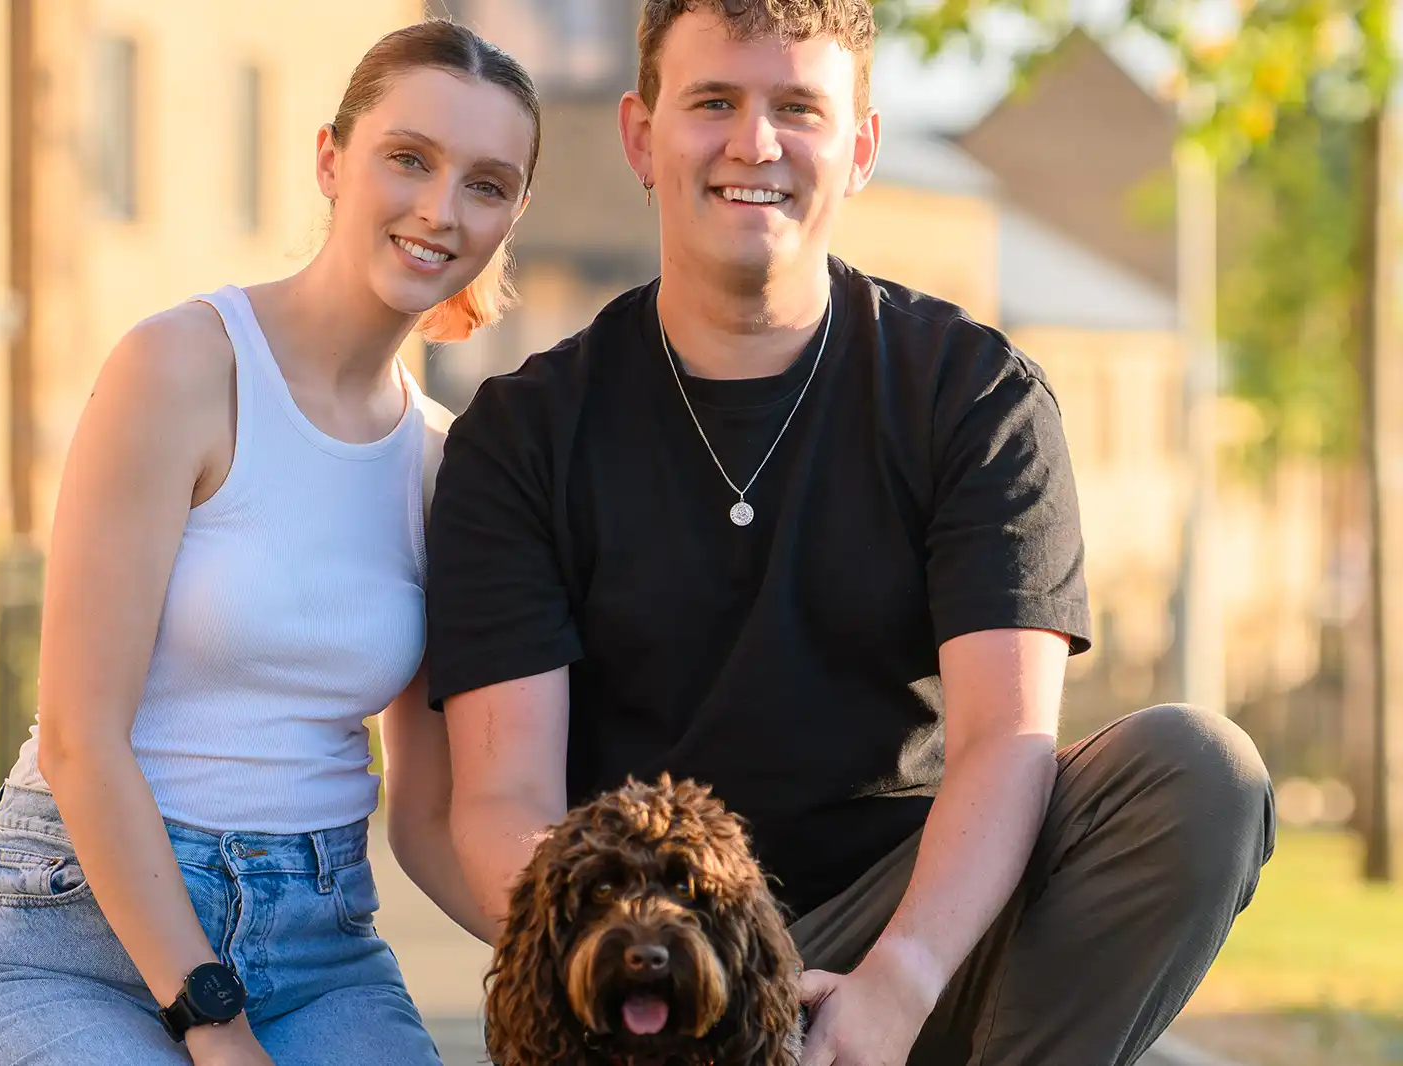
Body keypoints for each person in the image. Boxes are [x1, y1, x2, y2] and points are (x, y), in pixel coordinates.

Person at [424, 3, 1276, 1065]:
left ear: (861, 145)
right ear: (640, 135)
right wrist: (621, 961)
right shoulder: (522, 435)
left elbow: (1002, 739)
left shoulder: (973, 395)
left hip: (922, 927)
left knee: (1197, 771)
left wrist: (899, 982)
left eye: (798, 107)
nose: (755, 143)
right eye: (714, 103)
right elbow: (504, 798)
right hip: (670, 949)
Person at [0, 19, 535, 1066]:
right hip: (76, 938)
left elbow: (428, 819)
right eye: (408, 159)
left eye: (485, 183)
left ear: (511, 214)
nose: (440, 208)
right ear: (330, 159)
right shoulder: (182, 369)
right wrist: (216, 1025)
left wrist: (615, 948)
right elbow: (79, 737)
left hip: (318, 948)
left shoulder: (442, 466)